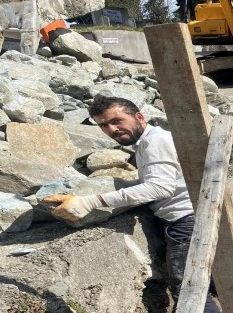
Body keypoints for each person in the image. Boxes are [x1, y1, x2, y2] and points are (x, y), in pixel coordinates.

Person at [44, 96, 221, 313]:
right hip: (189, 220)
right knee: (197, 289)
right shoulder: (148, 142)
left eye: (117, 120)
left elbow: (159, 188)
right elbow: (161, 181)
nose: (112, 129)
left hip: (185, 223)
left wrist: (92, 200)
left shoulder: (154, 142)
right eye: (103, 125)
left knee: (190, 294)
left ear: (139, 116)